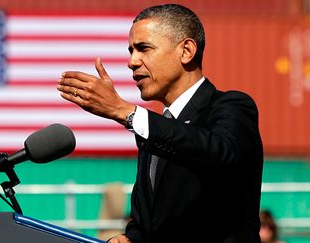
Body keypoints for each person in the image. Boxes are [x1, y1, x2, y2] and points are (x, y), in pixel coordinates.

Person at [57, 3, 263, 243]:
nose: (132, 61)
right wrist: (130, 238)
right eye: (131, 50)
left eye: (144, 48)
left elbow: (220, 153)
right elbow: (150, 223)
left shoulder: (232, 106)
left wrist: (124, 111)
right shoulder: (151, 130)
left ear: (186, 50)